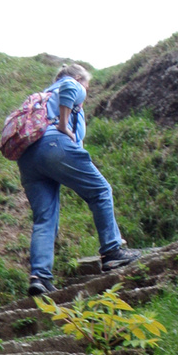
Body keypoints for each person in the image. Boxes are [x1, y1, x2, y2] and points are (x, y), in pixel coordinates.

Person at [17, 62, 140, 298]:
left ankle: (40, 277)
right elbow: (70, 88)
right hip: (54, 145)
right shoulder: (70, 84)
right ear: (78, 78)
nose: (86, 90)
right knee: (101, 191)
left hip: (28, 158)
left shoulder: (42, 97)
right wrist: (63, 125)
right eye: (87, 85)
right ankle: (112, 252)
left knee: (45, 219)